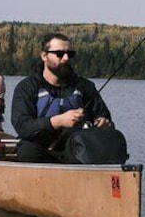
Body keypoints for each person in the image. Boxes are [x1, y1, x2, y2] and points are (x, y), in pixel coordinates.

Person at [11, 32, 114, 163]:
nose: (66, 58)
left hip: (78, 150)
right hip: (39, 151)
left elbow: (105, 117)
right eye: (59, 54)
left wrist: (103, 122)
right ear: (44, 56)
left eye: (70, 54)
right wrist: (57, 121)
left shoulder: (85, 86)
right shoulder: (27, 87)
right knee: (26, 151)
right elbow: (23, 126)